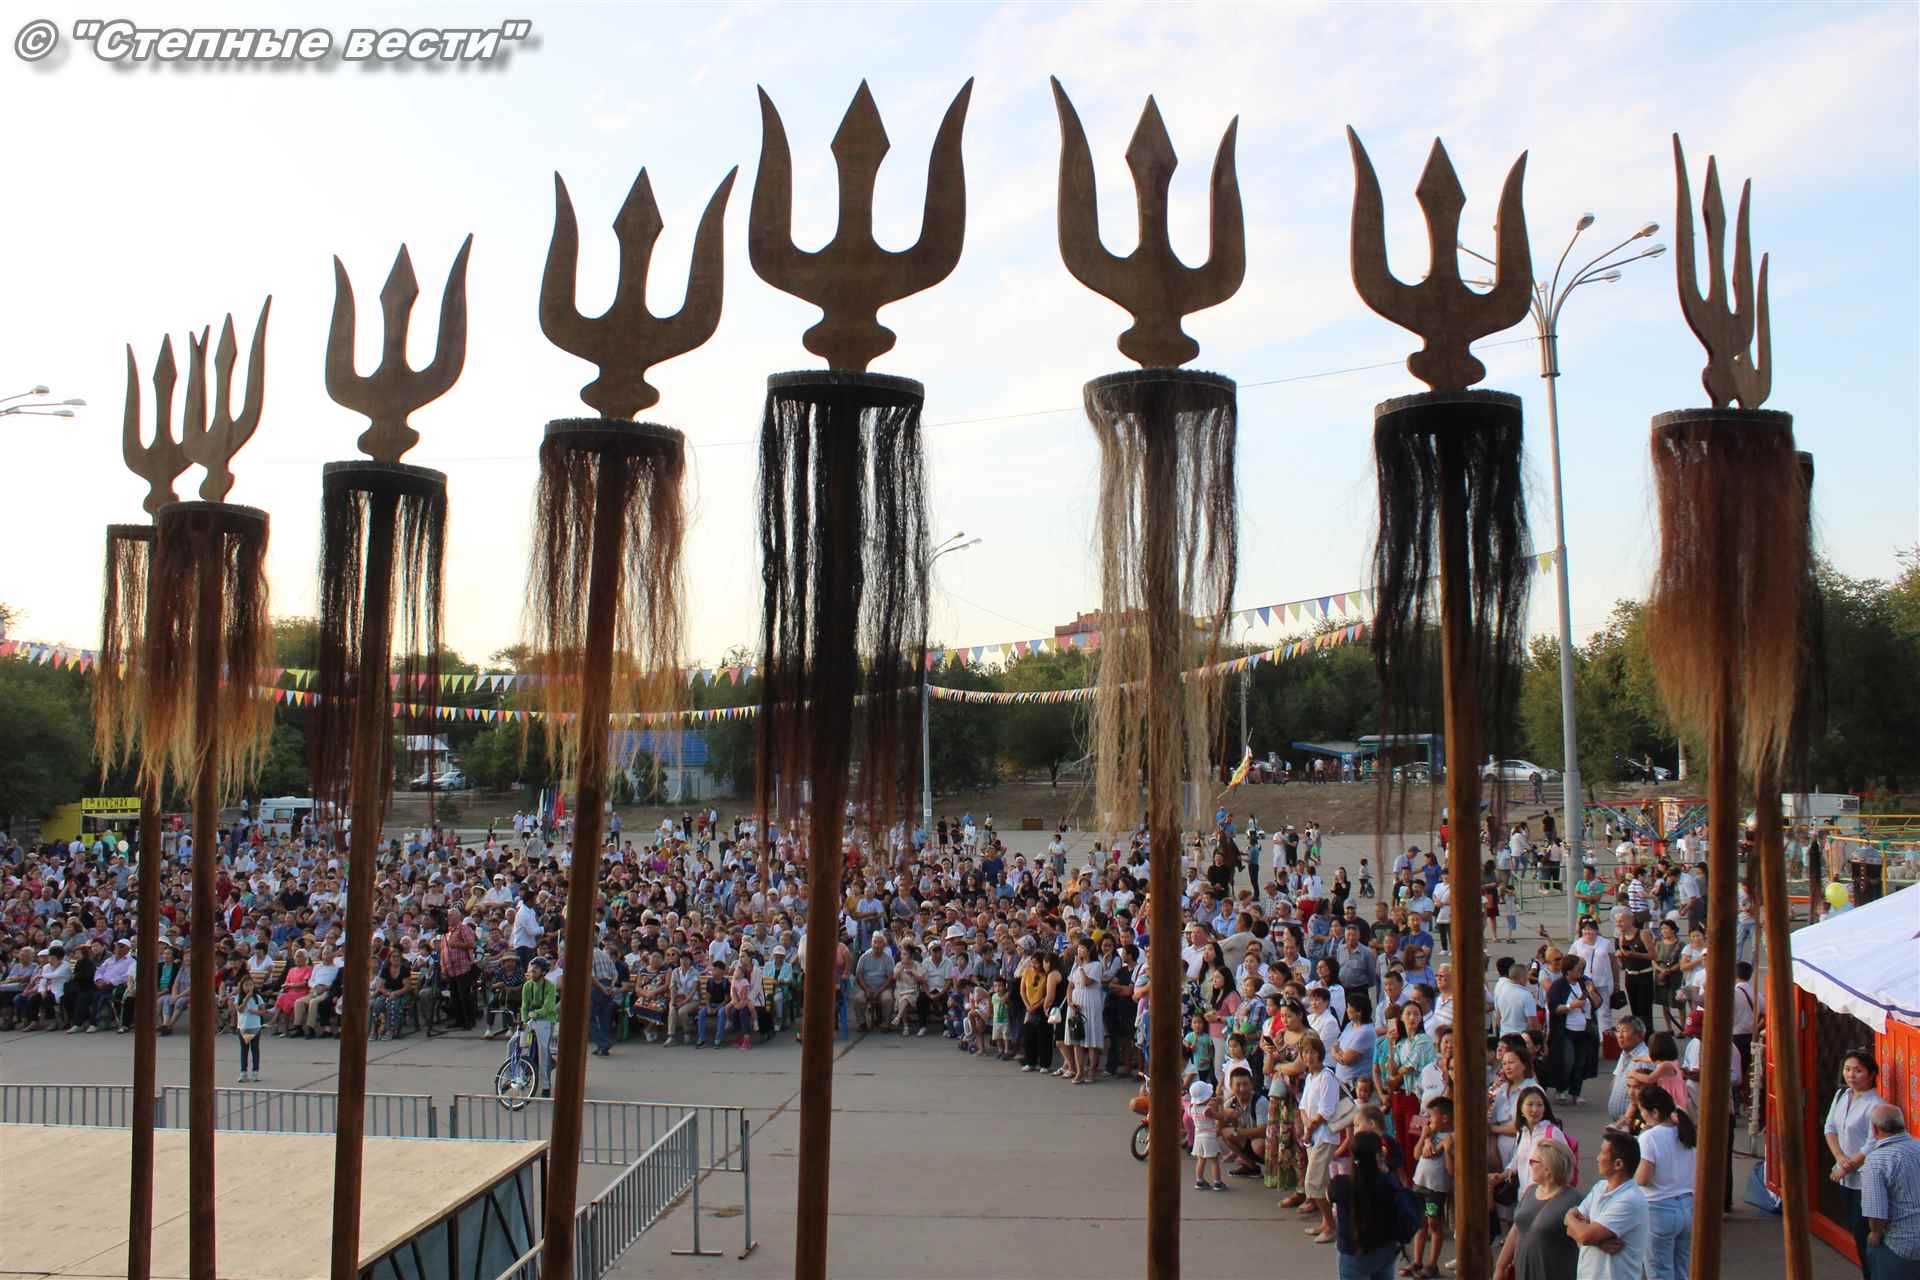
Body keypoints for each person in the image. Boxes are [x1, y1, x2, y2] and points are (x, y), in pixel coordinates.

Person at [1828, 1048, 1889, 1278]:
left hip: (1865, 1178)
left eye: (1858, 1070)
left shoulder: (1876, 1103)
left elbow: (1873, 1142)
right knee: (1855, 1228)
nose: (1851, 1075)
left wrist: (1847, 1165)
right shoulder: (1841, 1095)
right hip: (1844, 1174)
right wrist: (1840, 1159)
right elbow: (1830, 1128)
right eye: (1847, 1069)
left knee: (1866, 1232)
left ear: (1871, 1074)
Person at [1564, 1131, 1649, 1280]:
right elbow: (1570, 1230)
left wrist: (1570, 1216)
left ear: (1618, 1164)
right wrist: (1597, 1242)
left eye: (1602, 1153)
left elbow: (1583, 1235)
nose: (1597, 1158)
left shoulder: (1630, 1200)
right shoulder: (1600, 1187)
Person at [1632, 1084, 1696, 1280]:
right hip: (1687, 1206)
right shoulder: (1686, 1132)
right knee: (1681, 1269)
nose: (1641, 1115)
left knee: (1660, 1272)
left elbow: (1643, 1178)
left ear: (1654, 1112)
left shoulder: (1649, 1137)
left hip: (1659, 1209)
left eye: (1642, 1110)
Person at [1493, 1135, 1580, 1280]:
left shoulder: (1573, 1200)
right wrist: (1500, 1267)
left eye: (1533, 1161)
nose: (1529, 1165)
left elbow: (1586, 1237)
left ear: (1548, 1168)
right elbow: (1516, 1229)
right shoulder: (1531, 1191)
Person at [1331, 1129, 1404, 1280]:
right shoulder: (1389, 1183)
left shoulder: (1341, 1184)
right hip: (1385, 1248)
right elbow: (1402, 1198)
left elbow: (1329, 1196)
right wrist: (1385, 1169)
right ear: (1379, 1155)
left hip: (1353, 1252)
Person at [1861, 1104, 1920, 1280]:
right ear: (1903, 1124)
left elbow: (1877, 1214)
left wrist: (1875, 1233)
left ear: (1874, 1129)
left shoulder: (1876, 1161)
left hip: (1901, 1246)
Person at [1411, 1095, 1454, 1278]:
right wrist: (1425, 1137)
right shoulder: (1428, 1133)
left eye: (1431, 1116)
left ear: (1444, 1118)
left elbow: (1451, 1170)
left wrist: (1447, 1149)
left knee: (1434, 1224)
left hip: (1435, 1188)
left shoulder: (1451, 1137)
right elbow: (1416, 1155)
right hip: (1419, 1183)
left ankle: (1432, 1264)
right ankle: (1417, 1262)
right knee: (1419, 1223)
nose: (1428, 1120)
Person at [519, 957, 559, 1097]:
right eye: (531, 968)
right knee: (514, 1044)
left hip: (546, 1020)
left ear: (543, 972)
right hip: (530, 1020)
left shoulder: (549, 986)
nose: (532, 970)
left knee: (543, 1051)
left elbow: (549, 1007)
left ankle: (545, 1085)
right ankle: (516, 1075)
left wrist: (536, 1013)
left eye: (536, 968)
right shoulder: (527, 986)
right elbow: (524, 1006)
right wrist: (524, 1020)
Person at [1188, 1078, 1225, 1192]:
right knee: (1214, 1160)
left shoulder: (1192, 1108)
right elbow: (1220, 1117)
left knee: (1201, 1159)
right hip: (1209, 1137)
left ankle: (1199, 1180)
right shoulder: (1207, 1110)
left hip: (1198, 1137)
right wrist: (1219, 1106)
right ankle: (1217, 1182)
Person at [235, 974, 266, 1082]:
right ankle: (243, 1072)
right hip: (243, 1028)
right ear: (242, 986)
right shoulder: (238, 998)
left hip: (255, 1027)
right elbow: (240, 1009)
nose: (249, 987)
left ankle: (255, 1072)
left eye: (251, 985)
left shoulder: (258, 998)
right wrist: (247, 998)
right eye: (246, 985)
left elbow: (263, 1011)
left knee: (255, 1050)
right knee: (244, 1050)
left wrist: (255, 1011)